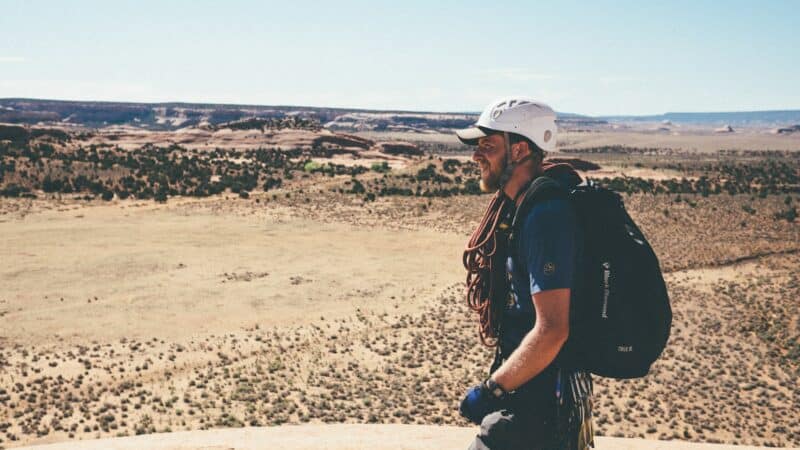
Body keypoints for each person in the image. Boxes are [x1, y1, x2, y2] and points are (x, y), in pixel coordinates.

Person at [457, 97, 594, 449]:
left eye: (487, 145)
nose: (476, 155)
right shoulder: (525, 207)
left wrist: (491, 390)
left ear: (518, 150)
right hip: (535, 397)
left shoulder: (545, 216)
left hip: (538, 405)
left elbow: (552, 329)